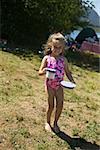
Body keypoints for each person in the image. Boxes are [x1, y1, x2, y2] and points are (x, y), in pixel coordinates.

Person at [38, 32, 75, 133]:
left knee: (60, 104)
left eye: (60, 48)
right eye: (55, 47)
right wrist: (45, 70)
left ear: (63, 48)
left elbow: (67, 72)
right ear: (50, 46)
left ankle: (55, 123)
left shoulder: (64, 60)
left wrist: (71, 80)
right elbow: (40, 72)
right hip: (49, 85)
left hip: (59, 85)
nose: (57, 49)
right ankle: (47, 122)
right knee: (51, 105)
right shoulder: (47, 58)